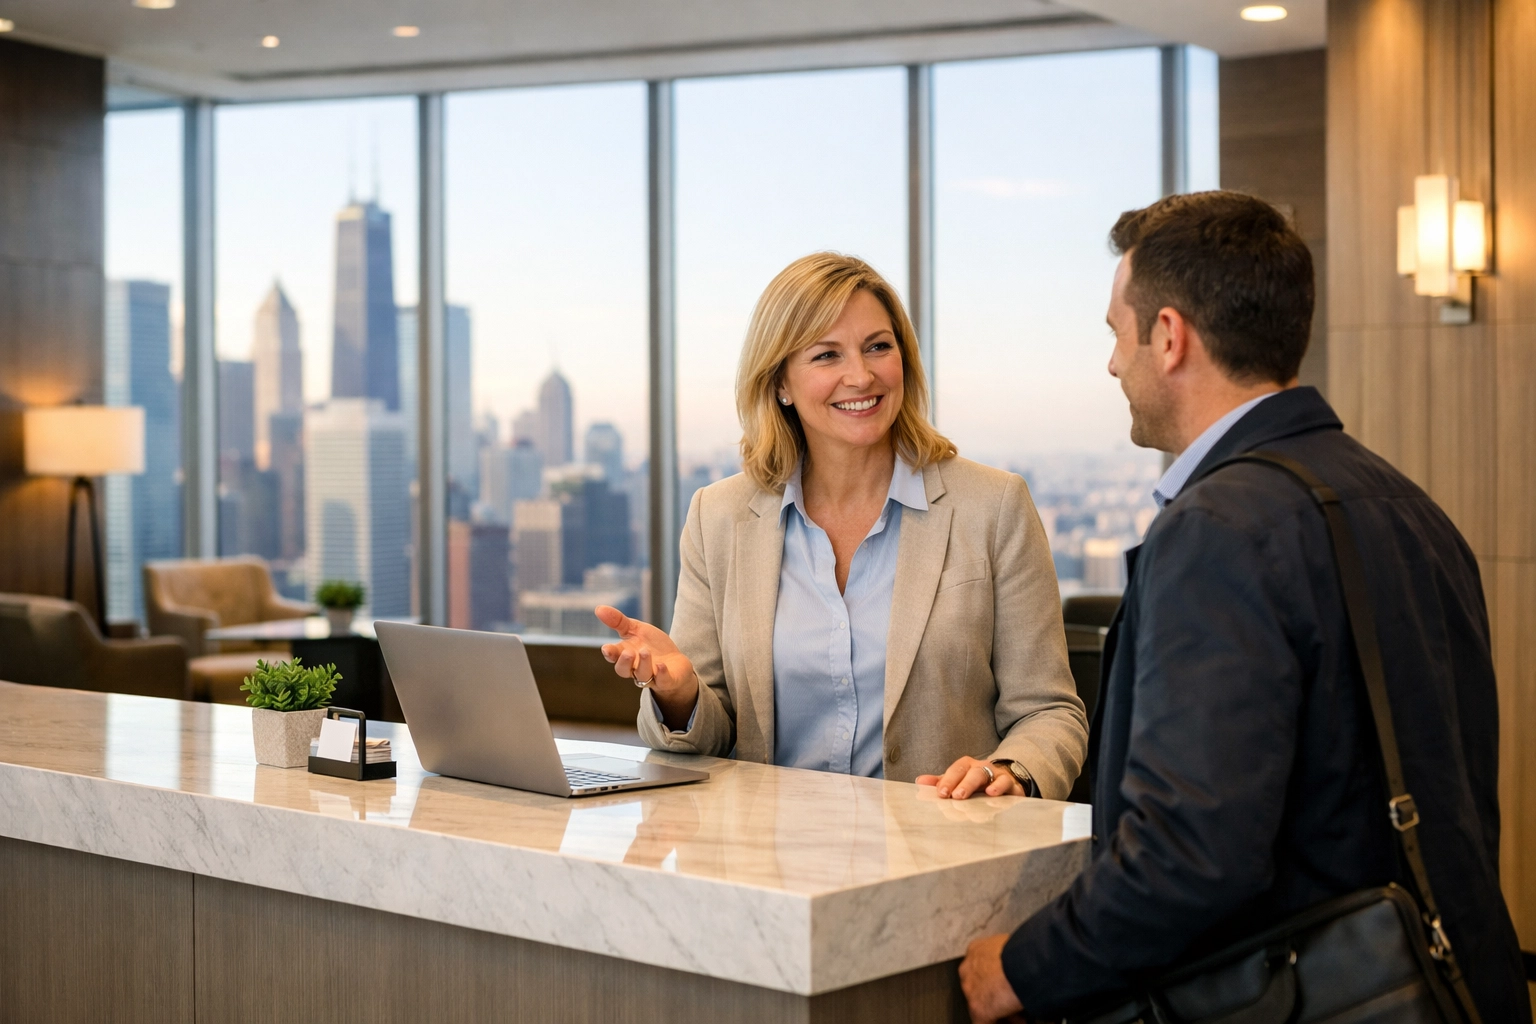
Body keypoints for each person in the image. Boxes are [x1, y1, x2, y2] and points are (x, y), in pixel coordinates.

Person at [957, 192, 1531, 1022]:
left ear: (1169, 336)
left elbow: (1187, 855)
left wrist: (1024, 969)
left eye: (1117, 333)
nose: (1112, 365)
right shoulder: (1409, 506)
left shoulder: (1218, 531)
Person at [596, 252, 1088, 799]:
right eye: (827, 355)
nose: (861, 375)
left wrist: (1009, 772)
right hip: (770, 845)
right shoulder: (719, 517)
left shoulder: (993, 506)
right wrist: (679, 693)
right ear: (780, 382)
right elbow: (715, 734)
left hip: (941, 840)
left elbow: (1049, 711)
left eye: (878, 347)